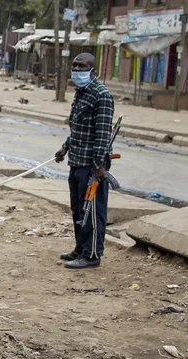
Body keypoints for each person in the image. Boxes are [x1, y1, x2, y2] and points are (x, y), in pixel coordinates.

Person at [55, 52, 115, 270]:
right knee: (79, 210)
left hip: (92, 167)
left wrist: (99, 165)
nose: (78, 70)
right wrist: (65, 147)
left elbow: (101, 135)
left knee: (92, 212)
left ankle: (92, 255)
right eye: (75, 66)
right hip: (76, 162)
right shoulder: (81, 93)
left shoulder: (102, 95)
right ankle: (80, 248)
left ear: (93, 70)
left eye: (83, 66)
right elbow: (79, 129)